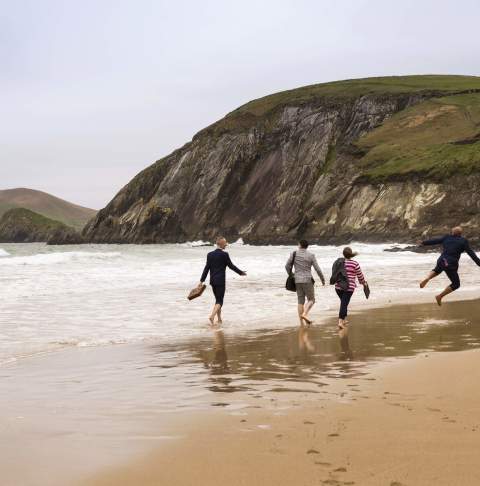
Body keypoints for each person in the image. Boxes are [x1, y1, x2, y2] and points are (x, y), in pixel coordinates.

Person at [419, 226, 480, 306]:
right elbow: (471, 253)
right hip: (450, 263)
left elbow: (435, 241)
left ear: (452, 232)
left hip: (441, 259)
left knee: (437, 270)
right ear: (460, 234)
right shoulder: (463, 241)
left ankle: (427, 278)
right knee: (456, 284)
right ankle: (439, 296)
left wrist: (423, 243)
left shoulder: (446, 237)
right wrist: (478, 263)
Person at [200, 236, 246, 325]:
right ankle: (212, 316)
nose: (226, 244)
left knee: (217, 300)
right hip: (220, 281)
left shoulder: (210, 254)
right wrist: (241, 273)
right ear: (221, 244)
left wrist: (201, 281)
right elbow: (231, 266)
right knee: (220, 301)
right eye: (225, 243)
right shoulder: (224, 254)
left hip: (212, 281)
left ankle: (219, 319)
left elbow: (206, 269)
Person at [285, 239, 325, 325]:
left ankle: (301, 323)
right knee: (311, 299)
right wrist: (322, 279)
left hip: (297, 280)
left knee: (300, 301)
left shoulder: (294, 254)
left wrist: (291, 274)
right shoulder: (311, 255)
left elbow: (287, 266)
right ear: (307, 246)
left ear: (299, 245)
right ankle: (304, 314)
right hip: (307, 280)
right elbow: (317, 269)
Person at [334, 247, 367, 329]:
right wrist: (364, 283)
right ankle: (340, 321)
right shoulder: (355, 264)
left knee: (344, 303)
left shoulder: (339, 262)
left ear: (343, 254)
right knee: (344, 303)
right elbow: (360, 275)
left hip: (338, 287)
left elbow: (334, 273)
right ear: (351, 255)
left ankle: (344, 319)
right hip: (349, 288)